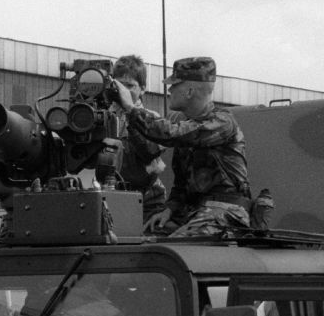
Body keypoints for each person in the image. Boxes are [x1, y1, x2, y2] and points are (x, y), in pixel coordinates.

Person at [111, 56, 252, 237]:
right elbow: (181, 186)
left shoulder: (222, 121)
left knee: (174, 250)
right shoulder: (186, 126)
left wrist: (131, 109)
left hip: (225, 211)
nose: (169, 89)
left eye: (174, 85)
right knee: (143, 238)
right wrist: (169, 209)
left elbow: (170, 134)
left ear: (189, 91)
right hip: (192, 211)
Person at [108, 55, 168, 225]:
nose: (123, 91)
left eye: (129, 86)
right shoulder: (104, 117)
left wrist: (129, 111)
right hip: (111, 196)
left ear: (142, 89)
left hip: (148, 201)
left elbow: (149, 151)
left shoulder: (152, 118)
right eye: (119, 85)